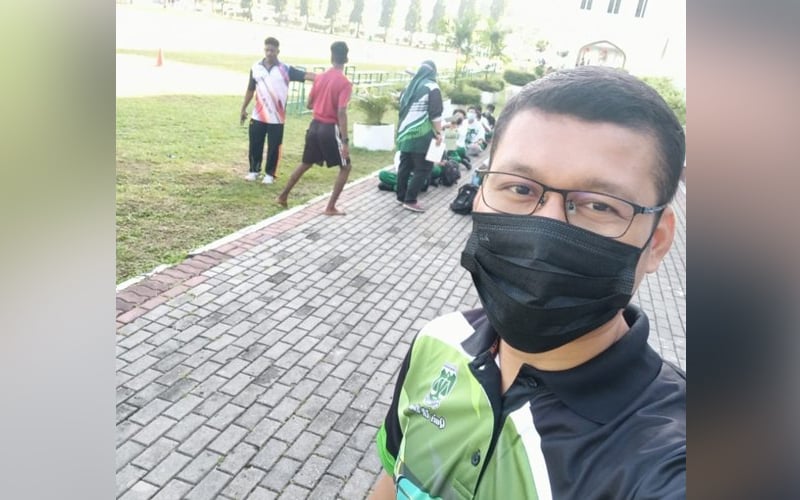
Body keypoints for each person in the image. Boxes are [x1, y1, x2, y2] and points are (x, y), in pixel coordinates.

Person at [370, 66, 686, 499]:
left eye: (599, 205)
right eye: (519, 189)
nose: (544, 235)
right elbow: (392, 481)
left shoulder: (670, 459)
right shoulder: (436, 344)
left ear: (657, 242)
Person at [276, 41, 353, 216]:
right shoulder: (345, 83)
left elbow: (309, 104)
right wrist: (345, 141)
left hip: (314, 127)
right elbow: (341, 112)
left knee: (306, 163)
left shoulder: (320, 78)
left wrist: (322, 102)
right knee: (346, 167)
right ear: (346, 58)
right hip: (329, 129)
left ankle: (283, 196)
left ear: (331, 57)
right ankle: (330, 207)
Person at [240, 37, 316, 184]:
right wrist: (243, 108)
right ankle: (254, 171)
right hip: (258, 116)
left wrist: (327, 77)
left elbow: (307, 75)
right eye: (267, 50)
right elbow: (250, 89)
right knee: (255, 144)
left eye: (272, 50)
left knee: (274, 147)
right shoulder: (256, 67)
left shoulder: (286, 69)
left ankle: (270, 174)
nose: (269, 53)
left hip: (277, 118)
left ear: (278, 51)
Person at [394, 60, 444, 213]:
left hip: (404, 133)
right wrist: (439, 133)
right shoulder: (432, 87)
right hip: (421, 134)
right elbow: (435, 114)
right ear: (433, 72)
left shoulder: (409, 87)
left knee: (405, 165)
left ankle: (401, 196)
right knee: (423, 168)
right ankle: (410, 200)